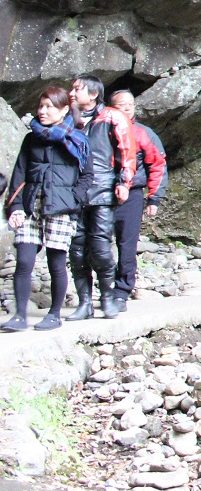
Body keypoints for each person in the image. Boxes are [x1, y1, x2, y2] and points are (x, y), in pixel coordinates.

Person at [3, 87, 86, 331]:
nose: (43, 111)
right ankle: (19, 315)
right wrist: (15, 207)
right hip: (31, 207)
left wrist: (73, 200)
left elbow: (87, 177)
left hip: (61, 209)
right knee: (24, 261)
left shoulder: (76, 139)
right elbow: (19, 174)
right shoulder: (31, 139)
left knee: (56, 263)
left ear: (63, 110)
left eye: (49, 106)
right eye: (41, 106)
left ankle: (54, 314)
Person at [67, 75, 135, 320]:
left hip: (102, 187)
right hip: (73, 191)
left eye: (77, 89)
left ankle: (107, 297)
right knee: (76, 250)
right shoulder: (67, 117)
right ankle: (84, 303)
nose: (72, 93)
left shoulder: (112, 116)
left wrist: (124, 183)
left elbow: (127, 151)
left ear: (93, 94)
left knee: (100, 247)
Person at [106, 91, 166, 316]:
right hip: (103, 194)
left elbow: (157, 164)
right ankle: (106, 285)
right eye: (122, 105)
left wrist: (154, 197)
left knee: (126, 244)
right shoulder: (102, 131)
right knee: (98, 243)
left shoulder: (142, 133)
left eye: (130, 104)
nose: (127, 108)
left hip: (132, 194)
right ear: (111, 108)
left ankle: (122, 291)